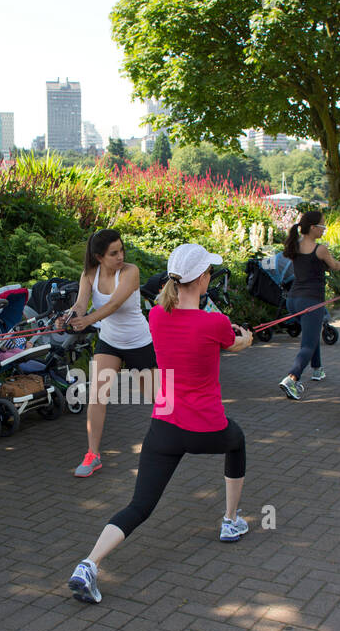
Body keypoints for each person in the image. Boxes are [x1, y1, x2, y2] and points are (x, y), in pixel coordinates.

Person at [68, 243, 253, 605]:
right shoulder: (215, 322)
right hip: (207, 428)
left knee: (140, 505)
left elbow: (194, 331)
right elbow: (233, 343)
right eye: (209, 273)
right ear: (202, 279)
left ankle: (89, 563)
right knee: (238, 441)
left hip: (165, 428)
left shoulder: (157, 318)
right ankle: (230, 521)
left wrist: (227, 337)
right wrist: (244, 338)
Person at [60, 229, 157, 477]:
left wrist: (88, 319)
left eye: (121, 250)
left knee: (161, 401)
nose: (120, 256)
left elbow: (114, 304)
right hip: (110, 341)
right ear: (98, 257)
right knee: (97, 396)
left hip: (139, 341)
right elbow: (81, 304)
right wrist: (71, 316)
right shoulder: (89, 274)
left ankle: (176, 439)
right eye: (113, 253)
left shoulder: (130, 272)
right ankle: (93, 455)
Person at [278, 210, 340, 399]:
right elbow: (335, 265)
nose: (324, 229)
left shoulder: (295, 246)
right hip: (311, 301)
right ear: (313, 228)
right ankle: (292, 378)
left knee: (311, 333)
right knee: (308, 343)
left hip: (293, 301)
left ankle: (317, 369)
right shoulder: (319, 249)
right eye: (322, 225)